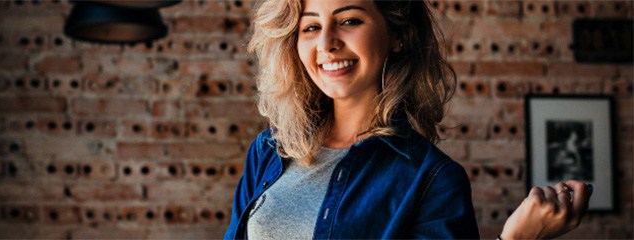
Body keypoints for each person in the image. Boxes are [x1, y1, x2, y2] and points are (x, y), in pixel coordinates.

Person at [225, 0, 592, 239]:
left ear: (396, 36)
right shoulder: (270, 151)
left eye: (349, 20)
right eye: (310, 27)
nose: (327, 43)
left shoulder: (431, 179)